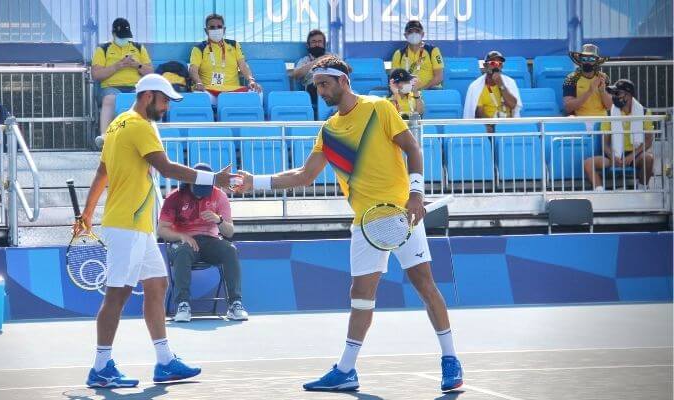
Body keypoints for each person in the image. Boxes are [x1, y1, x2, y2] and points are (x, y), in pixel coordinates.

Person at [234, 56, 463, 393]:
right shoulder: (329, 130)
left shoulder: (379, 109)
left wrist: (416, 194)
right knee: (360, 295)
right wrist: (257, 182)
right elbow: (304, 175)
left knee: (425, 286)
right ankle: (346, 370)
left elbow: (412, 148)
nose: (320, 91)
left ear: (342, 81)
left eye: (324, 84)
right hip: (366, 224)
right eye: (317, 86)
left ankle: (450, 359)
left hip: (403, 216)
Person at [75, 74, 238, 387]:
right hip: (127, 226)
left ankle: (165, 362)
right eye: (164, 100)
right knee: (117, 295)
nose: (166, 108)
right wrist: (213, 179)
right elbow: (166, 168)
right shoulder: (139, 125)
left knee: (158, 284)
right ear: (148, 96)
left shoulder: (117, 124)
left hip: (136, 226)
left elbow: (102, 172)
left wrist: (88, 211)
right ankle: (100, 367)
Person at [158, 163, 248, 322]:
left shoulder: (219, 196)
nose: (201, 195)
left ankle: (235, 304)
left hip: (210, 241)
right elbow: (162, 230)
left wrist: (218, 220)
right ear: (190, 181)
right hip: (184, 242)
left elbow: (230, 232)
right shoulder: (174, 197)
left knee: (230, 250)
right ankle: (183, 304)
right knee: (183, 250)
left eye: (205, 191)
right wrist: (181, 236)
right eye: (198, 190)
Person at [584, 79, 655, 191]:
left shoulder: (645, 112)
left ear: (629, 95)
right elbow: (605, 142)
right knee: (588, 163)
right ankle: (600, 192)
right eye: (614, 93)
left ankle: (642, 190)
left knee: (649, 158)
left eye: (618, 93)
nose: (615, 96)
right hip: (614, 154)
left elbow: (648, 141)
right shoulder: (608, 113)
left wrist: (630, 157)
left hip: (635, 154)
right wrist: (613, 156)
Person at [92, 18, 153, 135]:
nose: (124, 39)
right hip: (111, 88)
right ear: (113, 34)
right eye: (121, 37)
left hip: (135, 87)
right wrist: (117, 66)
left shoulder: (139, 48)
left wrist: (137, 65)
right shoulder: (103, 50)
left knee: (146, 98)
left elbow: (150, 73)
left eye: (126, 37)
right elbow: (96, 74)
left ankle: (147, 135)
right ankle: (105, 137)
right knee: (110, 99)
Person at [189, 13, 262, 104]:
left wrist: (251, 80)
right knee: (198, 97)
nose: (216, 29)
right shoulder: (199, 48)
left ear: (224, 29)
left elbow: (243, 66)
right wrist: (198, 83)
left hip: (233, 91)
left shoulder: (234, 45)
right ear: (206, 30)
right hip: (209, 91)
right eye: (212, 27)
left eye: (219, 26)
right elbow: (193, 69)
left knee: (257, 93)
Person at [463, 51, 522, 131]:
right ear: (485, 66)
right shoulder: (475, 86)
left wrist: (501, 85)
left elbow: (513, 105)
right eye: (493, 63)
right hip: (488, 126)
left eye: (500, 64)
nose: (496, 66)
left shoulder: (510, 82)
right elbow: (479, 113)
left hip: (508, 125)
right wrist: (495, 127)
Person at [390, 20, 444, 91]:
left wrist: (422, 90)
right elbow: (394, 79)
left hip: (430, 90)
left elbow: (439, 77)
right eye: (410, 32)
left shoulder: (433, 50)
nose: (414, 34)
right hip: (407, 92)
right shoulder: (398, 54)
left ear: (422, 34)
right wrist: (406, 90)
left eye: (417, 31)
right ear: (405, 35)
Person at [563, 43, 611, 120]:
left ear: (597, 61)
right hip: (581, 121)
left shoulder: (603, 77)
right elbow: (568, 107)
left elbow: (609, 106)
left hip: (602, 121)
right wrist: (589, 91)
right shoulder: (571, 78)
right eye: (584, 59)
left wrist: (602, 91)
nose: (587, 62)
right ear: (580, 60)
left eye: (591, 59)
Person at [291, 29, 334, 105]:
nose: (317, 44)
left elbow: (348, 69)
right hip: (313, 88)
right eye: (313, 42)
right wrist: (317, 61)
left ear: (324, 45)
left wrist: (334, 62)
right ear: (308, 45)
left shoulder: (332, 56)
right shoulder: (304, 60)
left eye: (320, 42)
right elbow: (295, 75)